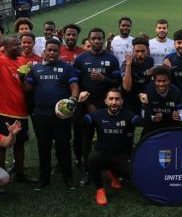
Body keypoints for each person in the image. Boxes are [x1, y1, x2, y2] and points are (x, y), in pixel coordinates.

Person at [24, 38, 79, 189]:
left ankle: (68, 177)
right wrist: (23, 77)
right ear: (44, 52)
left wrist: (73, 99)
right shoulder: (36, 68)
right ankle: (44, 178)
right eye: (49, 50)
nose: (52, 53)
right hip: (41, 114)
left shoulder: (67, 68)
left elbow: (74, 86)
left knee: (63, 146)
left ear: (59, 52)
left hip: (61, 115)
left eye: (55, 50)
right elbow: (28, 89)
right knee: (43, 147)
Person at [73, 28, 122, 184]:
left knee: (108, 138)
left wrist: (103, 79)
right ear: (89, 40)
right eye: (93, 38)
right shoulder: (80, 59)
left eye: (99, 38)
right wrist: (87, 103)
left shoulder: (112, 59)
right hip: (86, 106)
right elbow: (76, 83)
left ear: (103, 40)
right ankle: (87, 170)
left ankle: (112, 170)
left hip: (106, 106)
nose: (96, 41)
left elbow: (117, 83)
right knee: (85, 139)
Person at [78, 88, 142, 206]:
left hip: (122, 157)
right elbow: (80, 122)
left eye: (117, 99)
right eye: (111, 99)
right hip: (103, 154)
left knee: (136, 177)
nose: (114, 102)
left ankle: (114, 173)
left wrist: (146, 105)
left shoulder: (128, 114)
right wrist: (80, 103)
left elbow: (142, 123)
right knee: (92, 158)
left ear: (122, 101)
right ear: (106, 101)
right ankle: (100, 190)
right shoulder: (97, 114)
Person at [0, 29, 33, 182]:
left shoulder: (23, 61)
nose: (20, 47)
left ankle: (20, 174)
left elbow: (27, 87)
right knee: (1, 146)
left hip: (21, 111)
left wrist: (23, 78)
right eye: (16, 45)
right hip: (3, 112)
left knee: (19, 145)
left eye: (20, 44)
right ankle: (1, 177)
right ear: (5, 48)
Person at [139, 66, 182, 136]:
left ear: (169, 80)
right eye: (158, 81)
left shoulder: (176, 92)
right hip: (153, 127)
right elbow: (143, 114)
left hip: (172, 125)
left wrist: (179, 117)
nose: (161, 84)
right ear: (154, 81)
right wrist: (153, 118)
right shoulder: (148, 91)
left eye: (164, 81)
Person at [122, 37, 155, 107]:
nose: (140, 54)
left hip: (145, 98)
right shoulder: (126, 64)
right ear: (133, 51)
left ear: (147, 51)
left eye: (143, 51)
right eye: (137, 51)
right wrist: (128, 65)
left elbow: (149, 80)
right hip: (129, 100)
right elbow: (127, 87)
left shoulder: (150, 61)